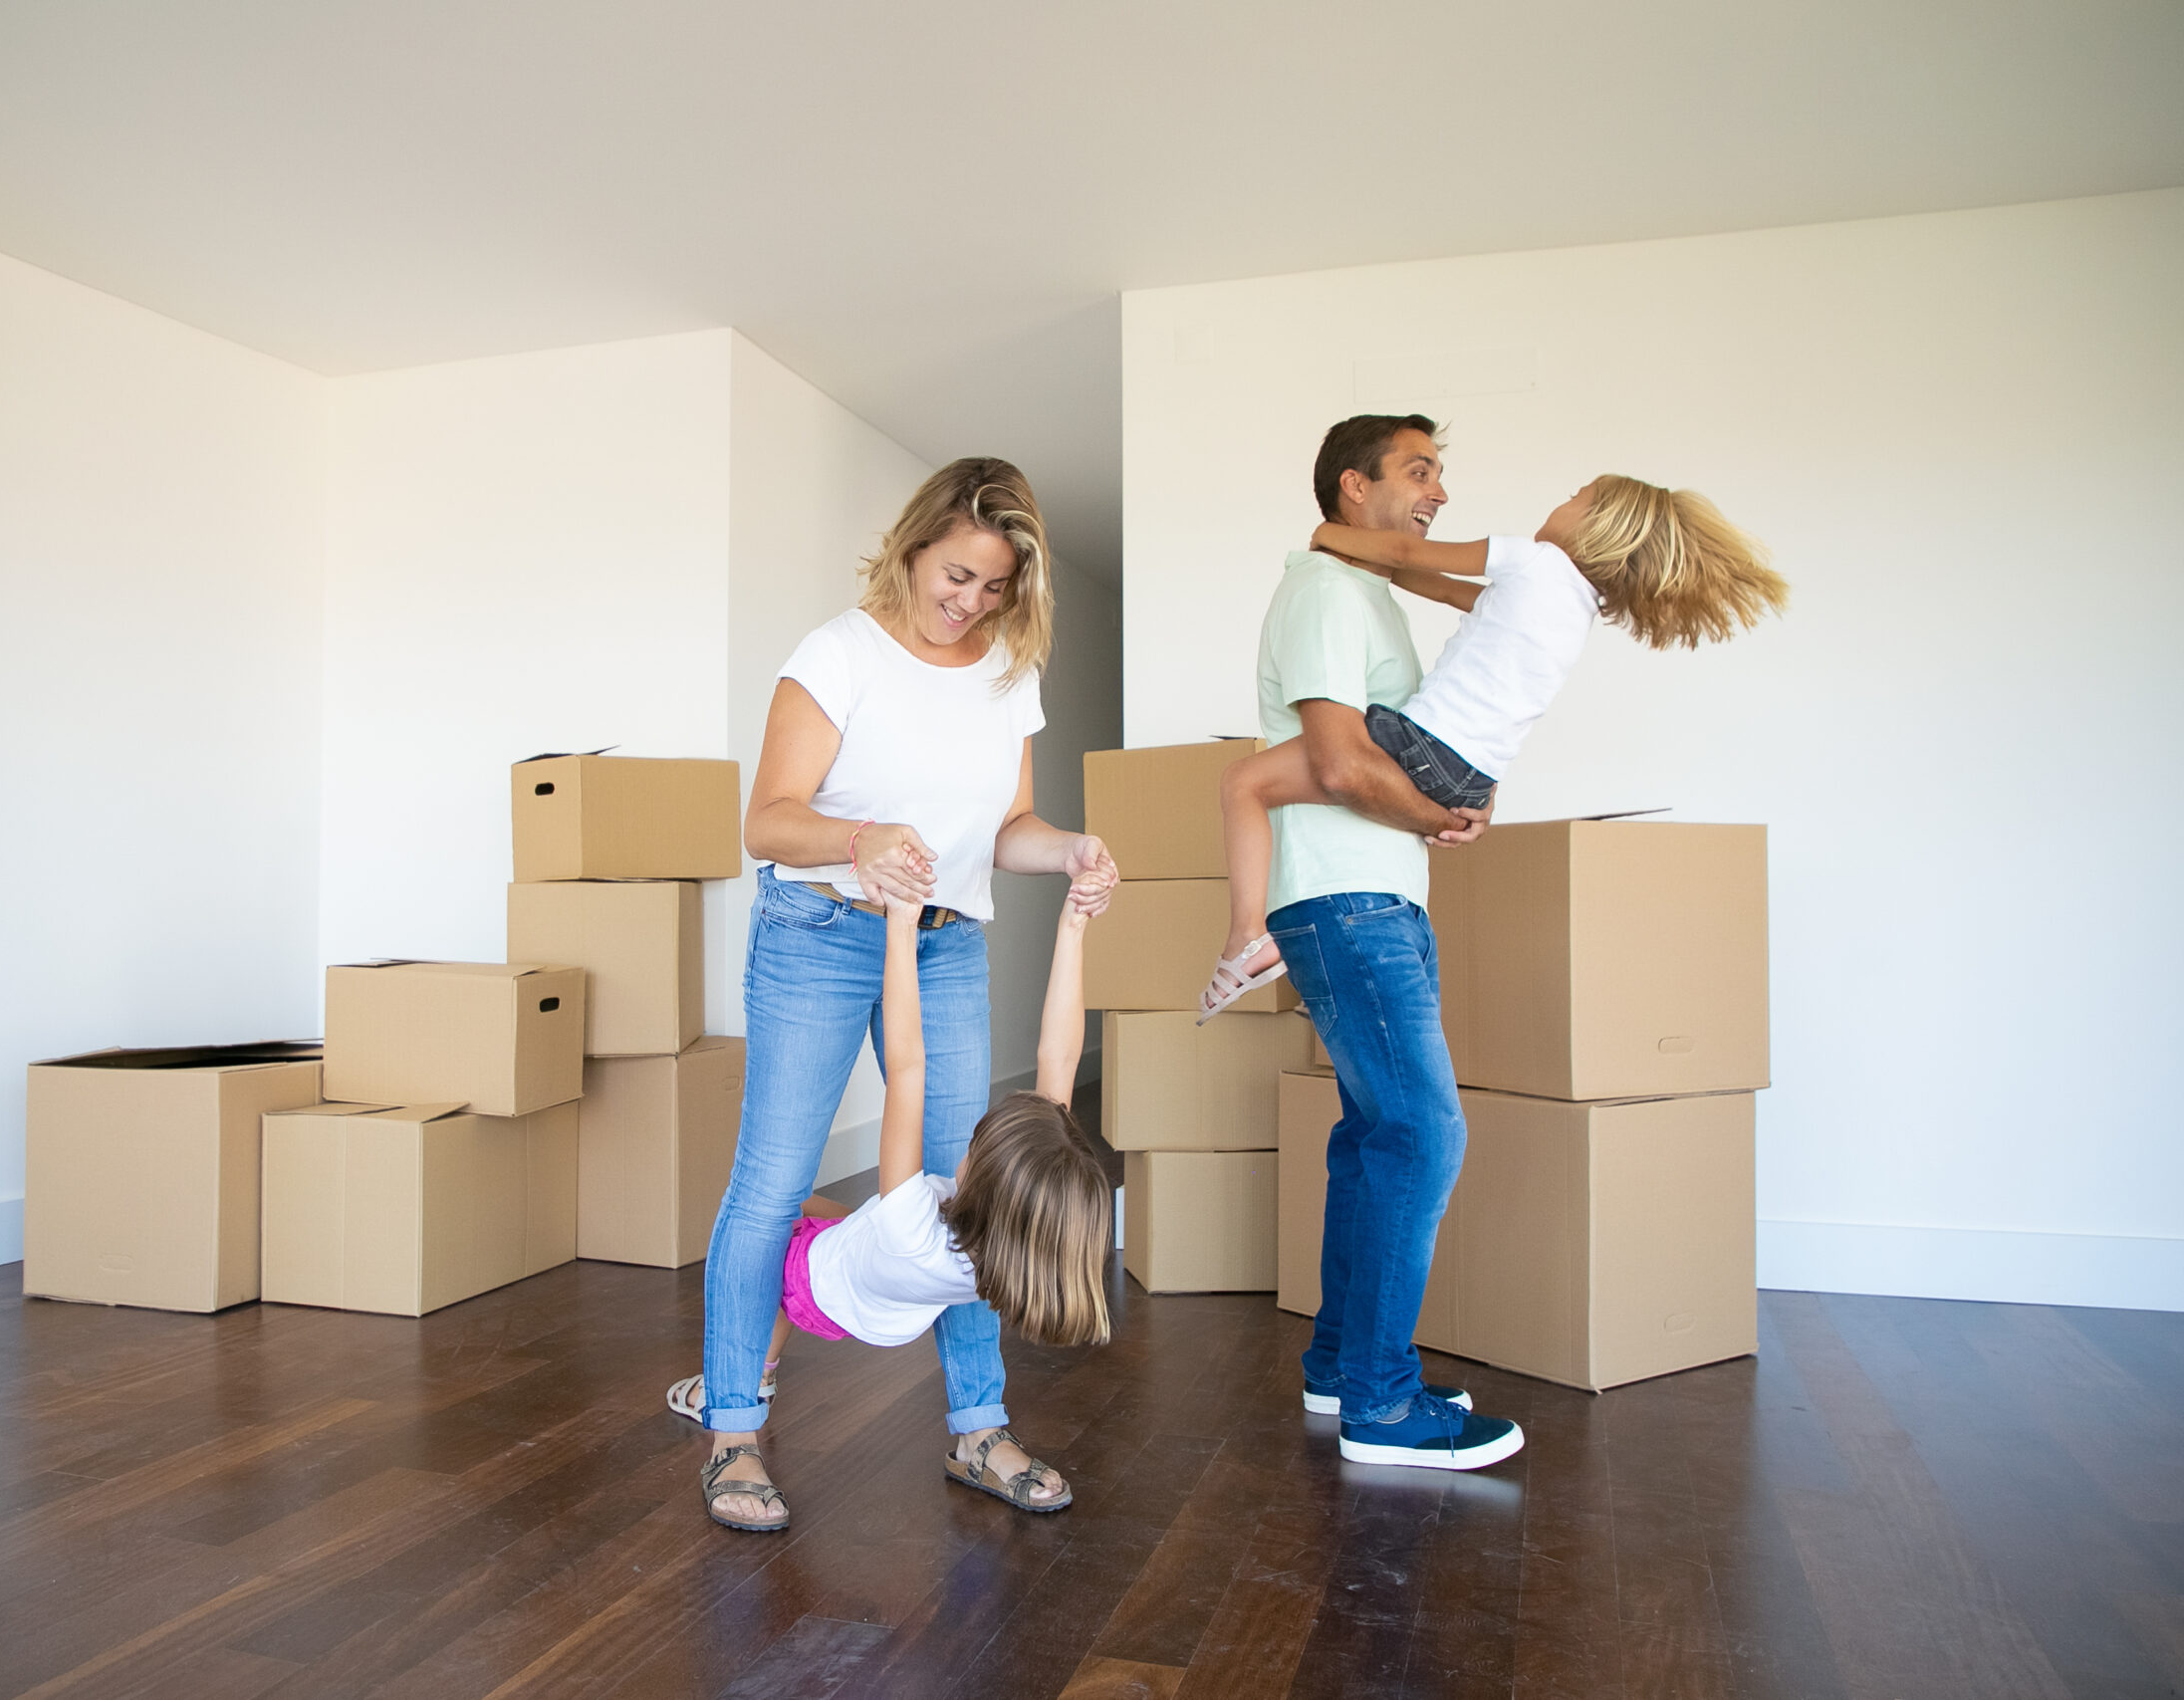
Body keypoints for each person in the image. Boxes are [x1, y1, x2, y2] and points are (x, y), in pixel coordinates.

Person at [688, 457, 1119, 1533]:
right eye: (956, 575)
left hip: (946, 944)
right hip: (817, 934)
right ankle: (734, 1432)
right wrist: (858, 840)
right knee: (773, 1183)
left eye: (994, 586)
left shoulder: (1007, 675)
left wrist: (1068, 850)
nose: (969, 601)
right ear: (916, 544)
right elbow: (767, 821)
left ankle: (978, 1428)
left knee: (965, 1189)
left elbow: (1003, 831)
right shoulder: (838, 655)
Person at [1201, 471, 1788, 1020]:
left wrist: (1330, 534)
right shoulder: (1570, 608)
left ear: (1596, 525)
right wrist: (1371, 558)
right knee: (1274, 783)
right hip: (1472, 779)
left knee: (1243, 782)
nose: (1561, 503)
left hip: (1422, 746)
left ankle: (1247, 938)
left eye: (1576, 497)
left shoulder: (1533, 561)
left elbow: (1406, 555)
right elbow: (1433, 583)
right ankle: (1333, 977)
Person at [1226, 413, 1522, 1469]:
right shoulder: (1322, 593)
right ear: (1354, 488)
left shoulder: (1356, 590)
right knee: (1422, 1137)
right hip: (1346, 896)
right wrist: (1435, 815)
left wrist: (1437, 813)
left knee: (1370, 1138)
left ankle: (1342, 1367)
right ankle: (1383, 1409)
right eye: (1419, 470)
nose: (1438, 490)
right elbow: (1342, 764)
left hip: (1371, 894)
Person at [677, 882, 1109, 1530]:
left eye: (977, 1142)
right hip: (883, 1275)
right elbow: (1060, 1055)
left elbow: (909, 1068)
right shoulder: (1017, 1247)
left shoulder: (911, 1221)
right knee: (816, 1209)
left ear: (982, 1176)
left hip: (818, 1288)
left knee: (776, 1220)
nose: (969, 1135)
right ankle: (974, 1432)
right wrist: (1073, 927)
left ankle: (737, 1385)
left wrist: (900, 930)